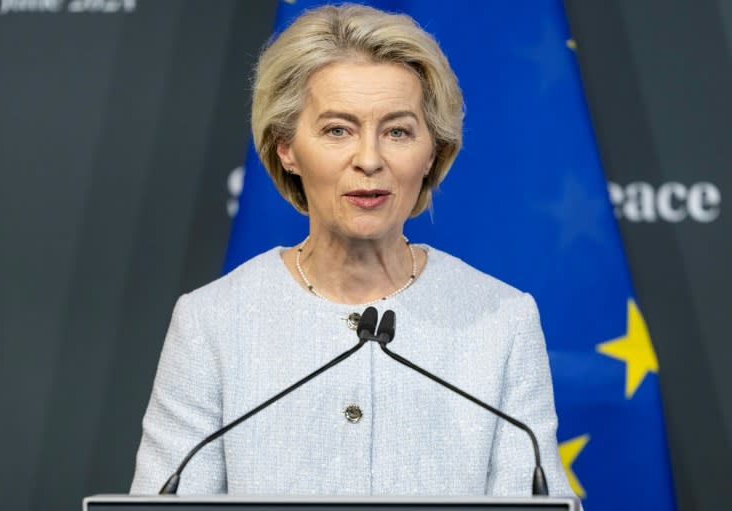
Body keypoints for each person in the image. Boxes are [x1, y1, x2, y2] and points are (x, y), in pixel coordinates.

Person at [131, 3, 575, 497]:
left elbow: (535, 499)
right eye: (337, 129)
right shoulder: (212, 322)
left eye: (398, 131)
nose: (369, 159)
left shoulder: (501, 321)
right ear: (287, 147)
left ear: (432, 151)